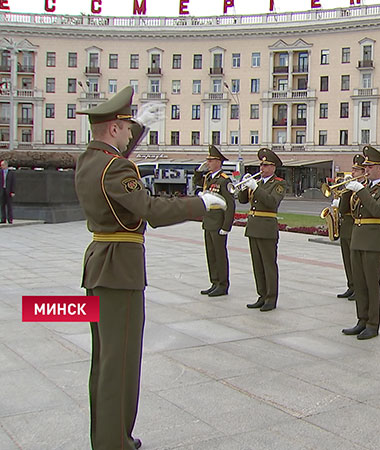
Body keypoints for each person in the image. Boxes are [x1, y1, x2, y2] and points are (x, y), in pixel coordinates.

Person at [74, 86, 225, 450]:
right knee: (120, 363)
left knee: (104, 359)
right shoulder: (116, 168)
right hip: (119, 271)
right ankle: (114, 442)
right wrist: (200, 203)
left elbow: (115, 154)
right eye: (126, 127)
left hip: (99, 265)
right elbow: (152, 211)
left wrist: (138, 124)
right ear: (113, 128)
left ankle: (106, 436)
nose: (130, 134)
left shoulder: (88, 160)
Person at [341, 145, 380, 340]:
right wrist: (347, 190)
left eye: (370, 167)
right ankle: (361, 320)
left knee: (372, 284)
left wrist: (361, 191)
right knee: (360, 283)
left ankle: (373, 323)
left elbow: (378, 210)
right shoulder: (362, 188)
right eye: (365, 167)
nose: (366, 170)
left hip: (373, 241)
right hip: (357, 238)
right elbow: (344, 211)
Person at [238, 148, 287, 311]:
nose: (262, 168)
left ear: (273, 167)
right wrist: (245, 186)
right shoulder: (257, 182)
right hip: (253, 227)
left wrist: (256, 188)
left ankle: (271, 298)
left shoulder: (279, 183)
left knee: (268, 265)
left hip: (267, 229)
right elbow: (243, 200)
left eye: (266, 165)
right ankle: (261, 295)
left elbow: (272, 202)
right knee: (257, 264)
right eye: (261, 165)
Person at [193, 145, 235, 297]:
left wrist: (226, 226)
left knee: (219, 254)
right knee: (211, 254)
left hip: (218, 223)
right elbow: (196, 184)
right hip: (208, 222)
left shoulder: (224, 180)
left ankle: (223, 285)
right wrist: (198, 171)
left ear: (218, 162)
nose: (208, 163)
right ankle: (214, 282)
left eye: (210, 160)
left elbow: (230, 204)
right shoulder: (208, 178)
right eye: (208, 160)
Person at [335, 155, 366, 300]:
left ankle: (359, 288)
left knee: (357, 262)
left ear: (364, 171)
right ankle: (351, 285)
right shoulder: (350, 186)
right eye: (353, 169)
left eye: (356, 170)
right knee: (347, 260)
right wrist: (344, 193)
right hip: (346, 227)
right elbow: (342, 209)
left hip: (357, 227)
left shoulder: (365, 187)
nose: (353, 173)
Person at [0, 159, 14, 224]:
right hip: (2, 190)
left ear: (6, 165)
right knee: (2, 205)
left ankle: (10, 219)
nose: (1, 166)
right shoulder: (0, 172)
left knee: (9, 205)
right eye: (1, 165)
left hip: (8, 191)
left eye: (2, 165)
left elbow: (13, 183)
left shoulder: (11, 173)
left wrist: (12, 191)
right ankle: (3, 219)